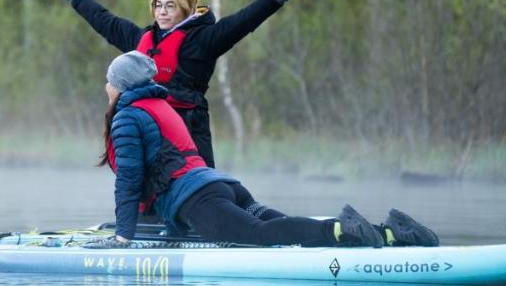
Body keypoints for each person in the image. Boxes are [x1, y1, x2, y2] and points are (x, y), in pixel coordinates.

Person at [85, 51, 438, 250]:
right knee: (278, 226)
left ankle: (340, 232)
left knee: (258, 237)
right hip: (223, 186)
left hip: (198, 200)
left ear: (120, 86)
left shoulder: (128, 116)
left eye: (110, 81)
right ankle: (393, 233)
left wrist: (122, 237)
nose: (106, 87)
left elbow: (130, 181)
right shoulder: (159, 105)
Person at [52, 0, 319, 168]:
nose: (162, 12)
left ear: (188, 9)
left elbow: (243, 21)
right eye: (158, 5)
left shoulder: (204, 39)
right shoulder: (141, 40)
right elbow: (106, 22)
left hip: (190, 131)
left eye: (171, 6)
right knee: (151, 196)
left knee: (201, 194)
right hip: (152, 131)